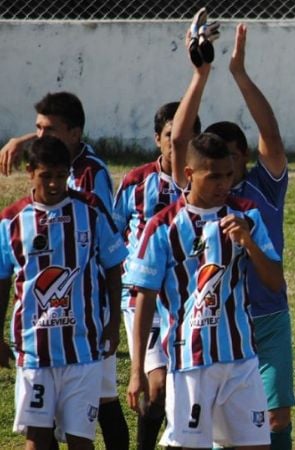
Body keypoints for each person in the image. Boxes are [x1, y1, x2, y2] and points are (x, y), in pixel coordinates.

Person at [169, 23, 295, 449]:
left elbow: (271, 134)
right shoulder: (196, 195)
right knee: (224, 424)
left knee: (276, 416)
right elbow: (179, 141)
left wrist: (239, 73)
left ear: (243, 156)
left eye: (231, 158)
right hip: (216, 320)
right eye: (215, 162)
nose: (224, 170)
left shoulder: (265, 188)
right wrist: (200, 74)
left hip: (268, 315)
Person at [125, 132, 285, 449]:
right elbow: (144, 300)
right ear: (189, 173)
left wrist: (249, 243)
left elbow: (275, 282)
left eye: (228, 175)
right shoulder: (162, 226)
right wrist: (137, 369)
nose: (223, 184)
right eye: (213, 177)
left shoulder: (247, 214)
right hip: (189, 362)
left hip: (241, 360)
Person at [0, 91, 128, 449]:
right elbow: (3, 279)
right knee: (38, 438)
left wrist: (111, 322)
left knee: (88, 428)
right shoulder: (12, 221)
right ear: (31, 173)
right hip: (35, 349)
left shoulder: (91, 202)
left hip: (84, 344)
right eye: (47, 176)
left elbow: (113, 265)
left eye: (61, 176)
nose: (56, 183)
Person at [112, 102, 201, 449]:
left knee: (185, 386)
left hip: (187, 299)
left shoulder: (199, 183)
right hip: (141, 299)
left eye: (189, 136)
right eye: (171, 135)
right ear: (157, 139)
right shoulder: (136, 182)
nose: (178, 143)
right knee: (157, 384)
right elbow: (113, 235)